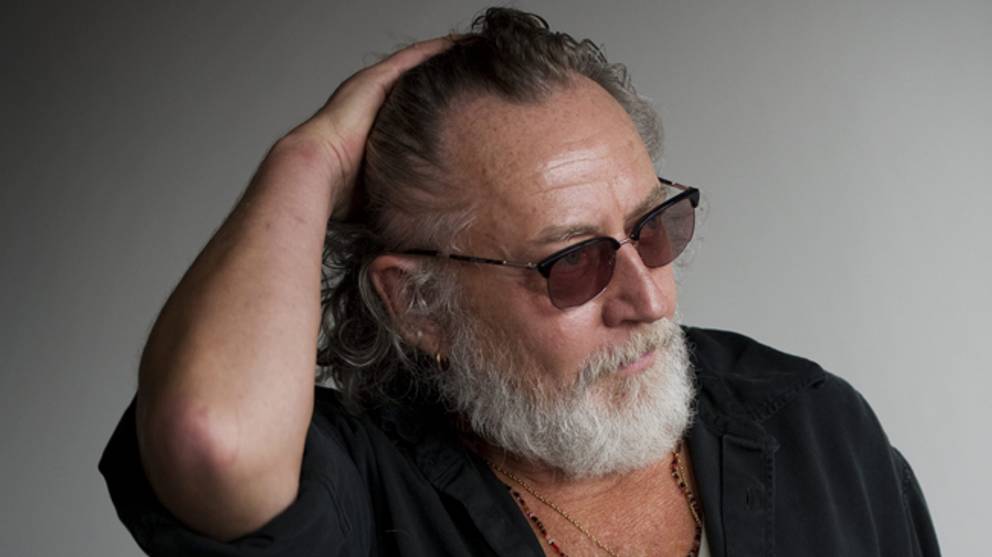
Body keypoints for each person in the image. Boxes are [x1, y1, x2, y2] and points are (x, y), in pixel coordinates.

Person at [100, 8, 940, 556]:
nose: (649, 300)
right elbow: (212, 438)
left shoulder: (812, 424)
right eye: (573, 261)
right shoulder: (364, 486)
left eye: (654, 227)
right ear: (418, 304)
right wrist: (309, 158)